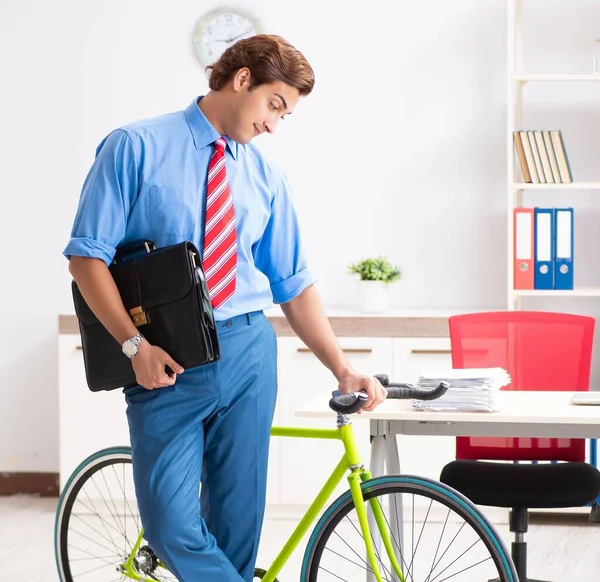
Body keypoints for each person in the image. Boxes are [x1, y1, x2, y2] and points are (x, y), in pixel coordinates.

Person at [64, 34, 388, 582]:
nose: (274, 126)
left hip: (249, 353)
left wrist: (343, 366)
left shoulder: (266, 177)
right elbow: (86, 259)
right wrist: (133, 345)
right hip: (165, 356)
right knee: (170, 526)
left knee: (238, 526)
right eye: (274, 106)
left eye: (285, 116)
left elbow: (294, 285)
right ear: (242, 80)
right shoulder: (134, 146)